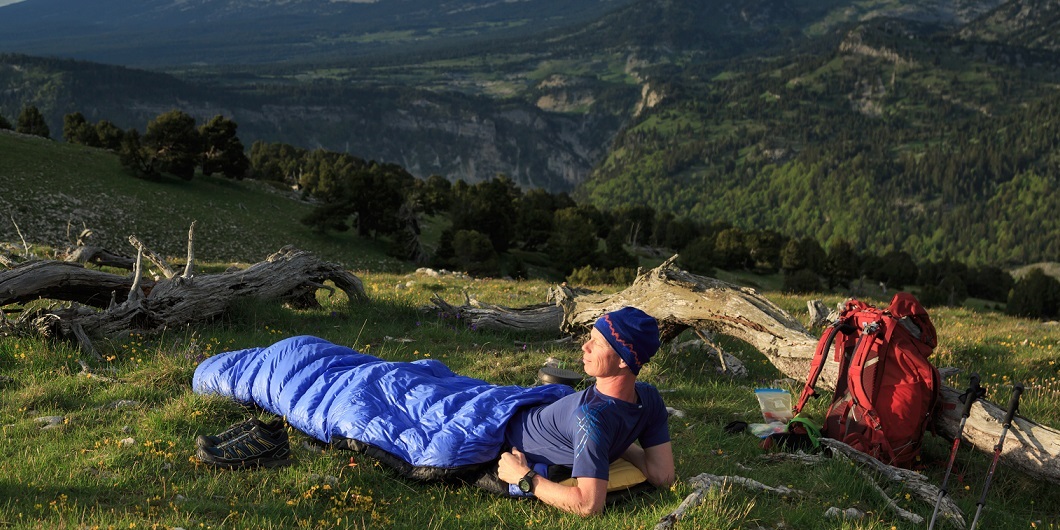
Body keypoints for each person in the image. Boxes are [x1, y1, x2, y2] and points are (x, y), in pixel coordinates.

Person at [497, 306, 676, 516]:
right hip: (509, 428)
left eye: (597, 343)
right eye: (590, 338)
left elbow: (589, 505)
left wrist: (524, 477)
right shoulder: (594, 417)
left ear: (622, 360)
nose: (585, 346)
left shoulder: (645, 401)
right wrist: (524, 475)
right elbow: (589, 505)